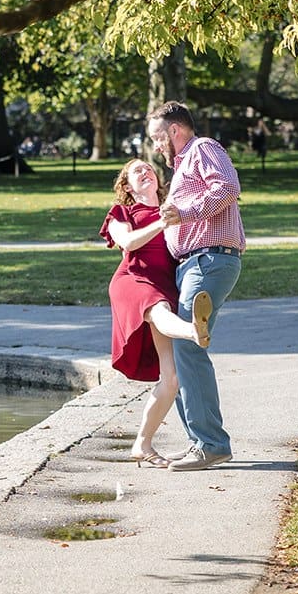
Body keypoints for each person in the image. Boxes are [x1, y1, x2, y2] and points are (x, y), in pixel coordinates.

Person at [148, 100, 246, 472]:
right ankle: (202, 442)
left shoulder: (202, 149)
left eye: (158, 137)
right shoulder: (181, 166)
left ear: (174, 131)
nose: (156, 145)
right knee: (181, 348)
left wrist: (184, 213)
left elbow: (227, 188)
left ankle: (210, 444)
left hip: (209, 259)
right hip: (193, 263)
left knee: (188, 345)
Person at [100, 158, 212, 468]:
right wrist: (162, 223)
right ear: (127, 186)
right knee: (160, 309)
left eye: (149, 168)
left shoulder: (173, 208)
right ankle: (193, 330)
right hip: (133, 280)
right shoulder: (122, 213)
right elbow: (128, 241)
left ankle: (142, 444)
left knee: (172, 379)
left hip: (166, 284)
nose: (145, 171)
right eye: (137, 170)